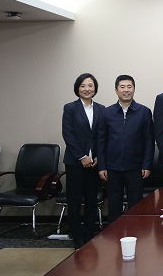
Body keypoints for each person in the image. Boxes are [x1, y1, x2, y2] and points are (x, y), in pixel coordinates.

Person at [98, 75, 155, 223]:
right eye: (122, 87)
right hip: (112, 167)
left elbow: (149, 141)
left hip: (136, 167)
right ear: (116, 90)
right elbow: (101, 141)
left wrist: (147, 165)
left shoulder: (144, 112)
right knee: (114, 206)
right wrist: (102, 166)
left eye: (129, 87)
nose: (126, 90)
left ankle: (135, 233)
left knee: (136, 206)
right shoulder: (106, 113)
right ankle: (114, 235)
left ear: (134, 89)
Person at [61, 73, 105, 249]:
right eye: (83, 86)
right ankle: (77, 239)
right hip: (75, 163)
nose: (87, 89)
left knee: (91, 201)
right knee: (74, 202)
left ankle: (89, 237)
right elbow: (68, 134)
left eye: (90, 85)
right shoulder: (70, 108)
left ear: (95, 88)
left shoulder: (101, 109)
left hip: (94, 164)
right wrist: (82, 156)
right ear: (77, 89)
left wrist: (98, 156)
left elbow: (102, 135)